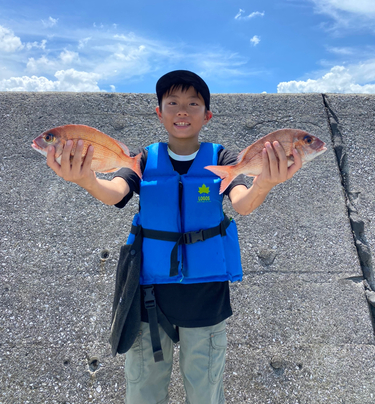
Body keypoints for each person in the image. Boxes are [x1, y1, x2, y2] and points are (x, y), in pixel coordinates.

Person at [46, 70, 302, 404]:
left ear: (207, 115)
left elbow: (243, 203)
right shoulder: (143, 159)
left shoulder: (223, 159)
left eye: (193, 103)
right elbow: (114, 192)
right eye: (173, 102)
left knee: (206, 394)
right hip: (148, 299)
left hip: (206, 298)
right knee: (143, 392)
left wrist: (266, 182)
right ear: (159, 112)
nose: (182, 110)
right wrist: (85, 179)